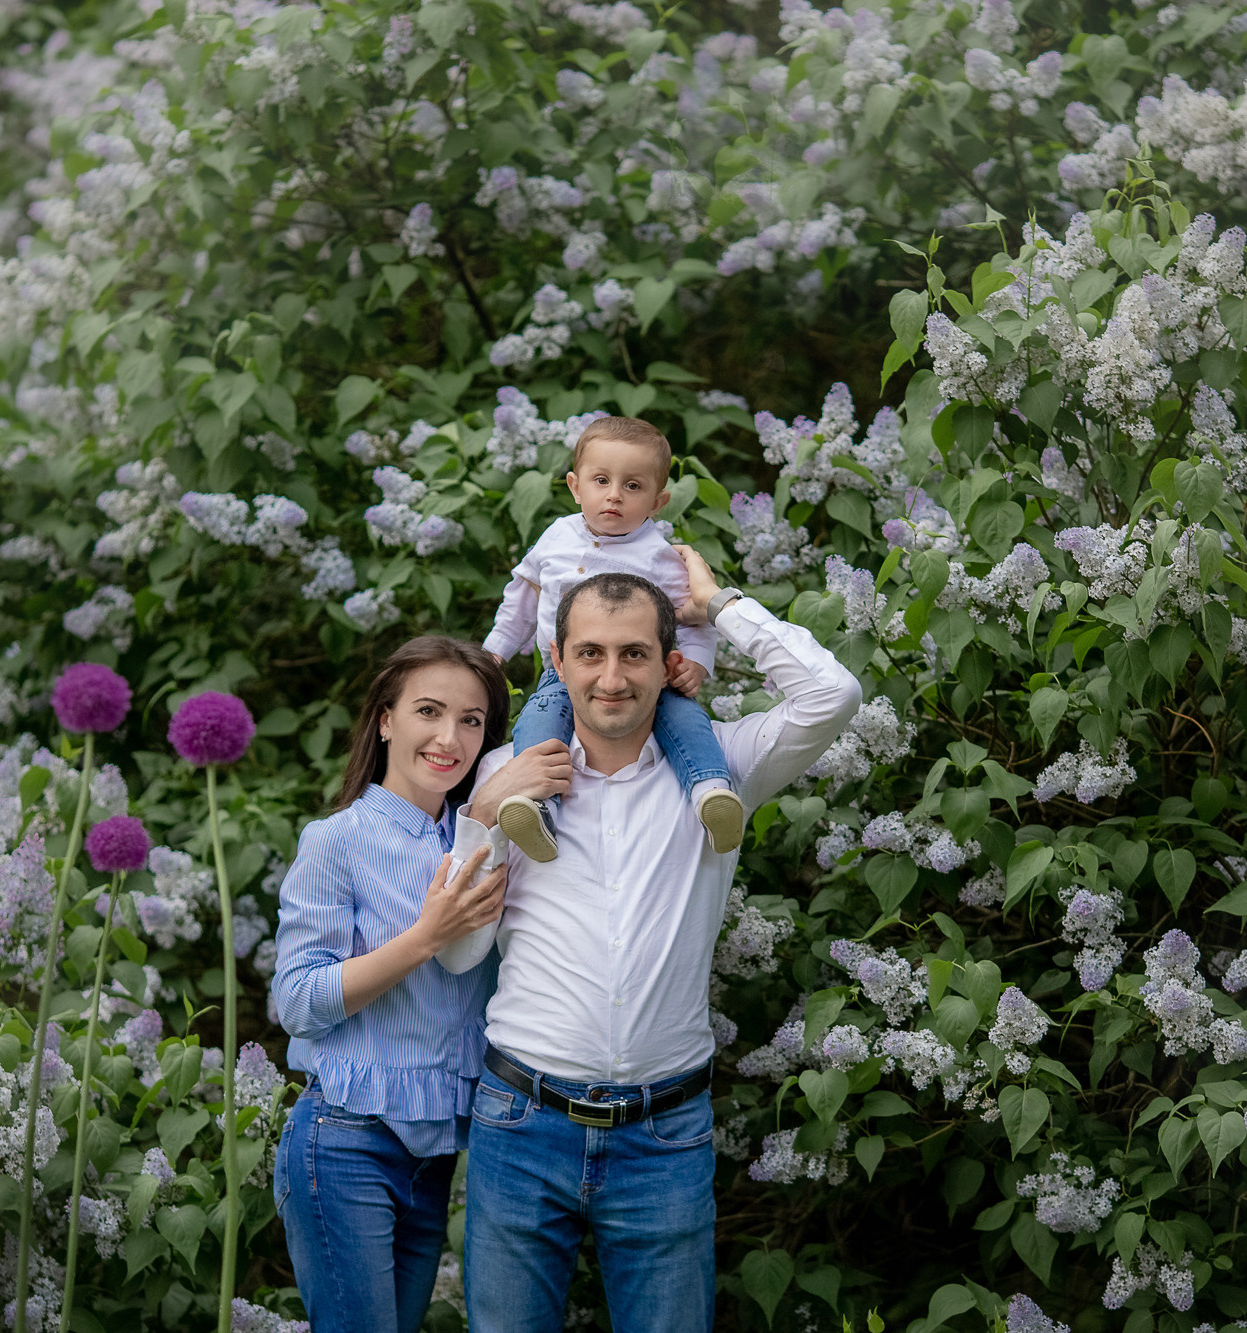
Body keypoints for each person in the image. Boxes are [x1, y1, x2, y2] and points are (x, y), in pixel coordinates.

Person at [449, 550, 863, 1332]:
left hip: (663, 1136)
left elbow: (832, 693)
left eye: (634, 653)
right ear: (557, 660)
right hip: (521, 1123)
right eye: (591, 653)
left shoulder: (722, 770)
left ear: (667, 662)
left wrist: (721, 604)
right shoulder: (505, 772)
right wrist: (482, 815)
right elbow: (458, 952)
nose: (612, 677)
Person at [269, 636, 512, 1333]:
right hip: (346, 1141)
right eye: (428, 711)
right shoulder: (336, 841)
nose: (449, 738)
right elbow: (298, 1003)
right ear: (384, 720)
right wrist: (425, 937)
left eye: (471, 720)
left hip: (435, 1157)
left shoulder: (487, 844)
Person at [481, 415, 744, 862]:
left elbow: (695, 617)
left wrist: (696, 663)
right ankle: (537, 808)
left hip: (647, 678)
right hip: (563, 673)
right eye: (601, 480)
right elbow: (522, 599)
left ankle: (711, 794)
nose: (614, 495)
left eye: (632, 486)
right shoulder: (556, 537)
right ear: (575, 486)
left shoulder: (659, 556)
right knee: (539, 723)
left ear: (658, 501)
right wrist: (494, 652)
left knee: (685, 720)